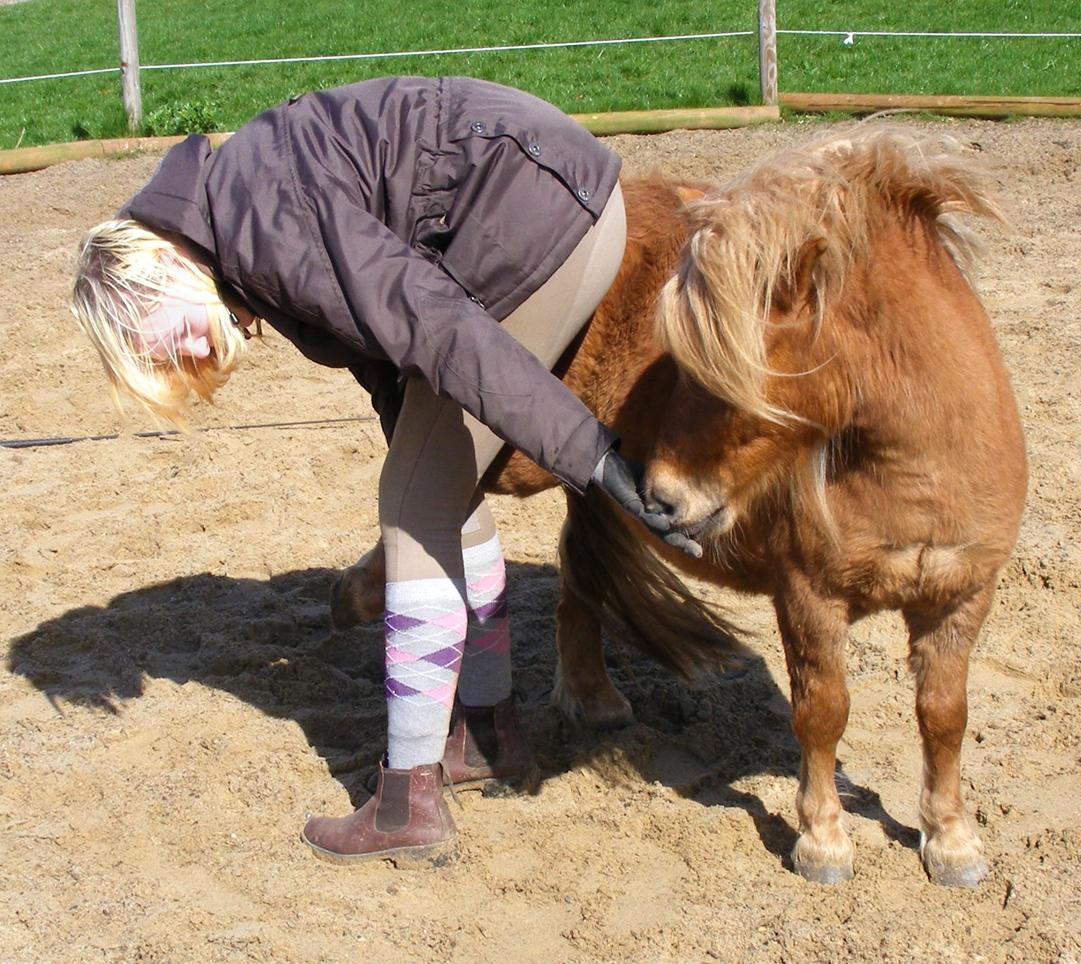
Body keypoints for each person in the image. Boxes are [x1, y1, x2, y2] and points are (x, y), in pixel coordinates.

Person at [70, 75, 698, 865]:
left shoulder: (260, 219)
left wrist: (593, 456)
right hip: (541, 196)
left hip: (535, 220)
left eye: (163, 339)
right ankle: (489, 732)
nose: (185, 356)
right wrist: (421, 454)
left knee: (412, 511)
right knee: (436, 488)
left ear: (151, 274)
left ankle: (409, 804)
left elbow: (431, 323)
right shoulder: (238, 221)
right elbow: (382, 355)